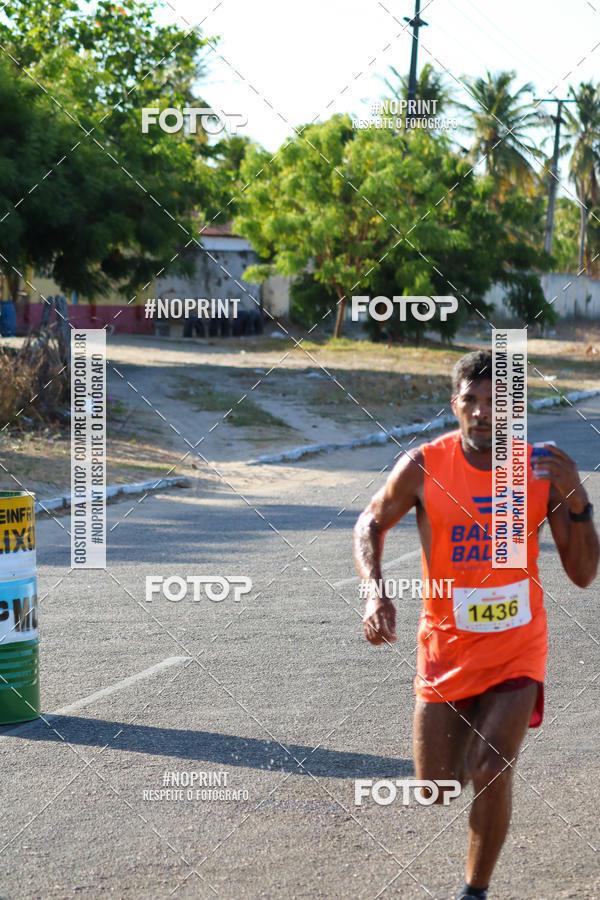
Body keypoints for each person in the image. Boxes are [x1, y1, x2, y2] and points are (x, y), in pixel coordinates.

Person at [353, 349, 598, 899]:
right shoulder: (424, 466)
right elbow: (369, 522)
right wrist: (374, 594)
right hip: (447, 650)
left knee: (491, 768)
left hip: (518, 649)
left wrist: (578, 498)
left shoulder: (539, 470)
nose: (484, 412)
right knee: (437, 789)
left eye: (496, 402)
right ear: (454, 405)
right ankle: (471, 748)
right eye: (472, 401)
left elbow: (582, 574)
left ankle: (474, 891)